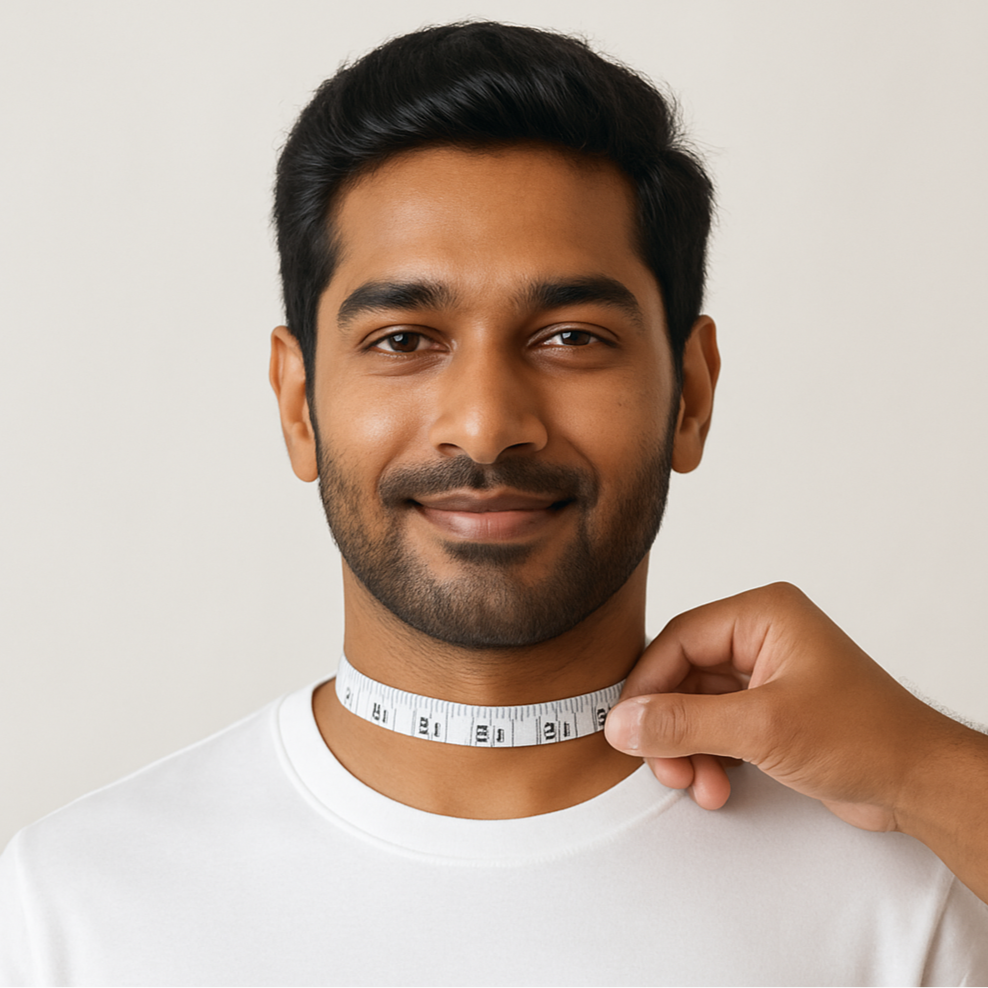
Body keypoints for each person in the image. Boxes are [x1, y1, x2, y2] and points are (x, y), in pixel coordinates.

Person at [1, 20, 986, 986]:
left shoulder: (915, 888)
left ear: (689, 396)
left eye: (571, 337)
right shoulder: (65, 911)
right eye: (402, 340)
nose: (483, 427)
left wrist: (926, 769)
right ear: (298, 406)